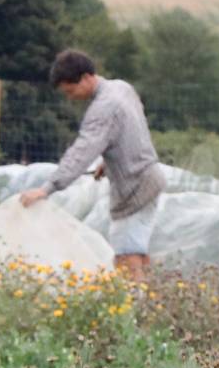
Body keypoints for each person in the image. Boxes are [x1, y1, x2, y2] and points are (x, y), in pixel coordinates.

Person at [19, 48, 166, 282]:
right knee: (133, 252)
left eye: (71, 90)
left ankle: (137, 311)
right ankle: (146, 302)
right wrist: (107, 162)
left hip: (136, 187)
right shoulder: (121, 87)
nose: (70, 97)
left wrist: (47, 188)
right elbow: (130, 128)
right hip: (148, 176)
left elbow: (81, 152)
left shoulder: (102, 109)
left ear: (86, 77)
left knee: (126, 258)